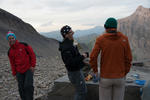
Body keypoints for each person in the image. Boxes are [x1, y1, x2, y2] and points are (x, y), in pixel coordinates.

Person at [89, 18, 132, 100]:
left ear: (106, 27)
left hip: (105, 77)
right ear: (116, 27)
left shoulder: (100, 39)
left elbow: (93, 57)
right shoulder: (124, 39)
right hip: (120, 77)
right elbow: (129, 58)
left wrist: (95, 71)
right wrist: (124, 72)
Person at [59, 25, 88, 100]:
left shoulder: (72, 42)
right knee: (81, 92)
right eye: (71, 32)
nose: (73, 33)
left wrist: (83, 60)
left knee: (81, 91)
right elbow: (70, 62)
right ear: (66, 35)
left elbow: (76, 54)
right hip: (75, 72)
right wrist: (83, 56)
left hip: (77, 70)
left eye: (72, 32)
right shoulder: (66, 47)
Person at [6, 31, 36, 100]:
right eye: (9, 38)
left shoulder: (23, 45)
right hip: (19, 71)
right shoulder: (10, 51)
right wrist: (14, 74)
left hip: (28, 69)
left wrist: (33, 66)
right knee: (21, 88)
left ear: (15, 38)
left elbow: (32, 55)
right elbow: (12, 63)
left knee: (28, 86)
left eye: (12, 38)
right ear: (8, 40)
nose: (11, 40)